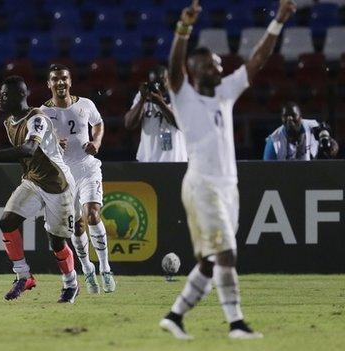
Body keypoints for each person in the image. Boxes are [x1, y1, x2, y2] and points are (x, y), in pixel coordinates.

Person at [159, 0, 296, 340]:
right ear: (195, 70)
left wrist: (277, 21)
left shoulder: (225, 94)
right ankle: (236, 324)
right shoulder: (184, 95)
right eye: (209, 64)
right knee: (226, 254)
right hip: (202, 185)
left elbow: (257, 61)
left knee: (209, 262)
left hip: (227, 187)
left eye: (218, 63)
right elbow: (174, 69)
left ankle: (175, 316)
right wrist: (183, 29)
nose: (217, 67)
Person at [0, 76, 79, 303]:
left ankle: (71, 283)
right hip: (33, 180)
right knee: (7, 221)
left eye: (4, 95)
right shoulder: (9, 122)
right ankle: (23, 276)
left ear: (20, 95)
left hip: (58, 184)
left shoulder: (36, 119)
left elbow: (30, 149)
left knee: (57, 242)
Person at [39, 64, 116, 294]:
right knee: (77, 227)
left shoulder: (86, 105)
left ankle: (105, 268)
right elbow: (36, 144)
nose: (60, 83)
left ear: (70, 81)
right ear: (49, 84)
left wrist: (97, 142)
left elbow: (99, 123)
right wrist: (51, 144)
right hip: (63, 176)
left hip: (87, 168)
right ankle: (87, 269)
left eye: (64, 78)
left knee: (92, 215)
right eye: (55, 79)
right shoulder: (43, 112)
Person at [124, 66, 187, 162]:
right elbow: (129, 124)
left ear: (168, 79)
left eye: (161, 81)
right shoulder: (143, 96)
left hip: (175, 160)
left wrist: (160, 103)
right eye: (154, 82)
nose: (158, 86)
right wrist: (142, 100)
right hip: (149, 160)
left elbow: (181, 124)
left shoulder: (179, 95)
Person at [264, 102, 339, 160]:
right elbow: (268, 172)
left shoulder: (314, 127)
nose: (289, 119)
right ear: (281, 119)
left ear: (300, 118)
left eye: (293, 115)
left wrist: (331, 147)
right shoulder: (274, 142)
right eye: (286, 116)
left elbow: (332, 145)